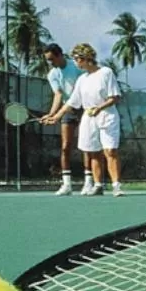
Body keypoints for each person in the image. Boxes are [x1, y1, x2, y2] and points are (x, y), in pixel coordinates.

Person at [41, 43, 124, 197]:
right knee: (93, 152)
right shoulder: (82, 80)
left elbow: (115, 97)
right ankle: (98, 185)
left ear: (85, 58)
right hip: (89, 118)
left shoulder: (106, 72)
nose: (75, 62)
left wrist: (99, 108)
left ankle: (116, 186)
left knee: (110, 151)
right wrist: (55, 117)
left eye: (77, 59)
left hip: (107, 116)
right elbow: (71, 102)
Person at [42, 43, 92, 196]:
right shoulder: (52, 74)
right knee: (65, 146)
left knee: (86, 145)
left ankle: (89, 183)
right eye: (48, 60)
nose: (50, 63)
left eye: (51, 59)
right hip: (67, 109)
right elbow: (58, 95)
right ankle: (67, 184)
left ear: (59, 55)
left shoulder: (76, 66)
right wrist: (51, 114)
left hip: (85, 108)